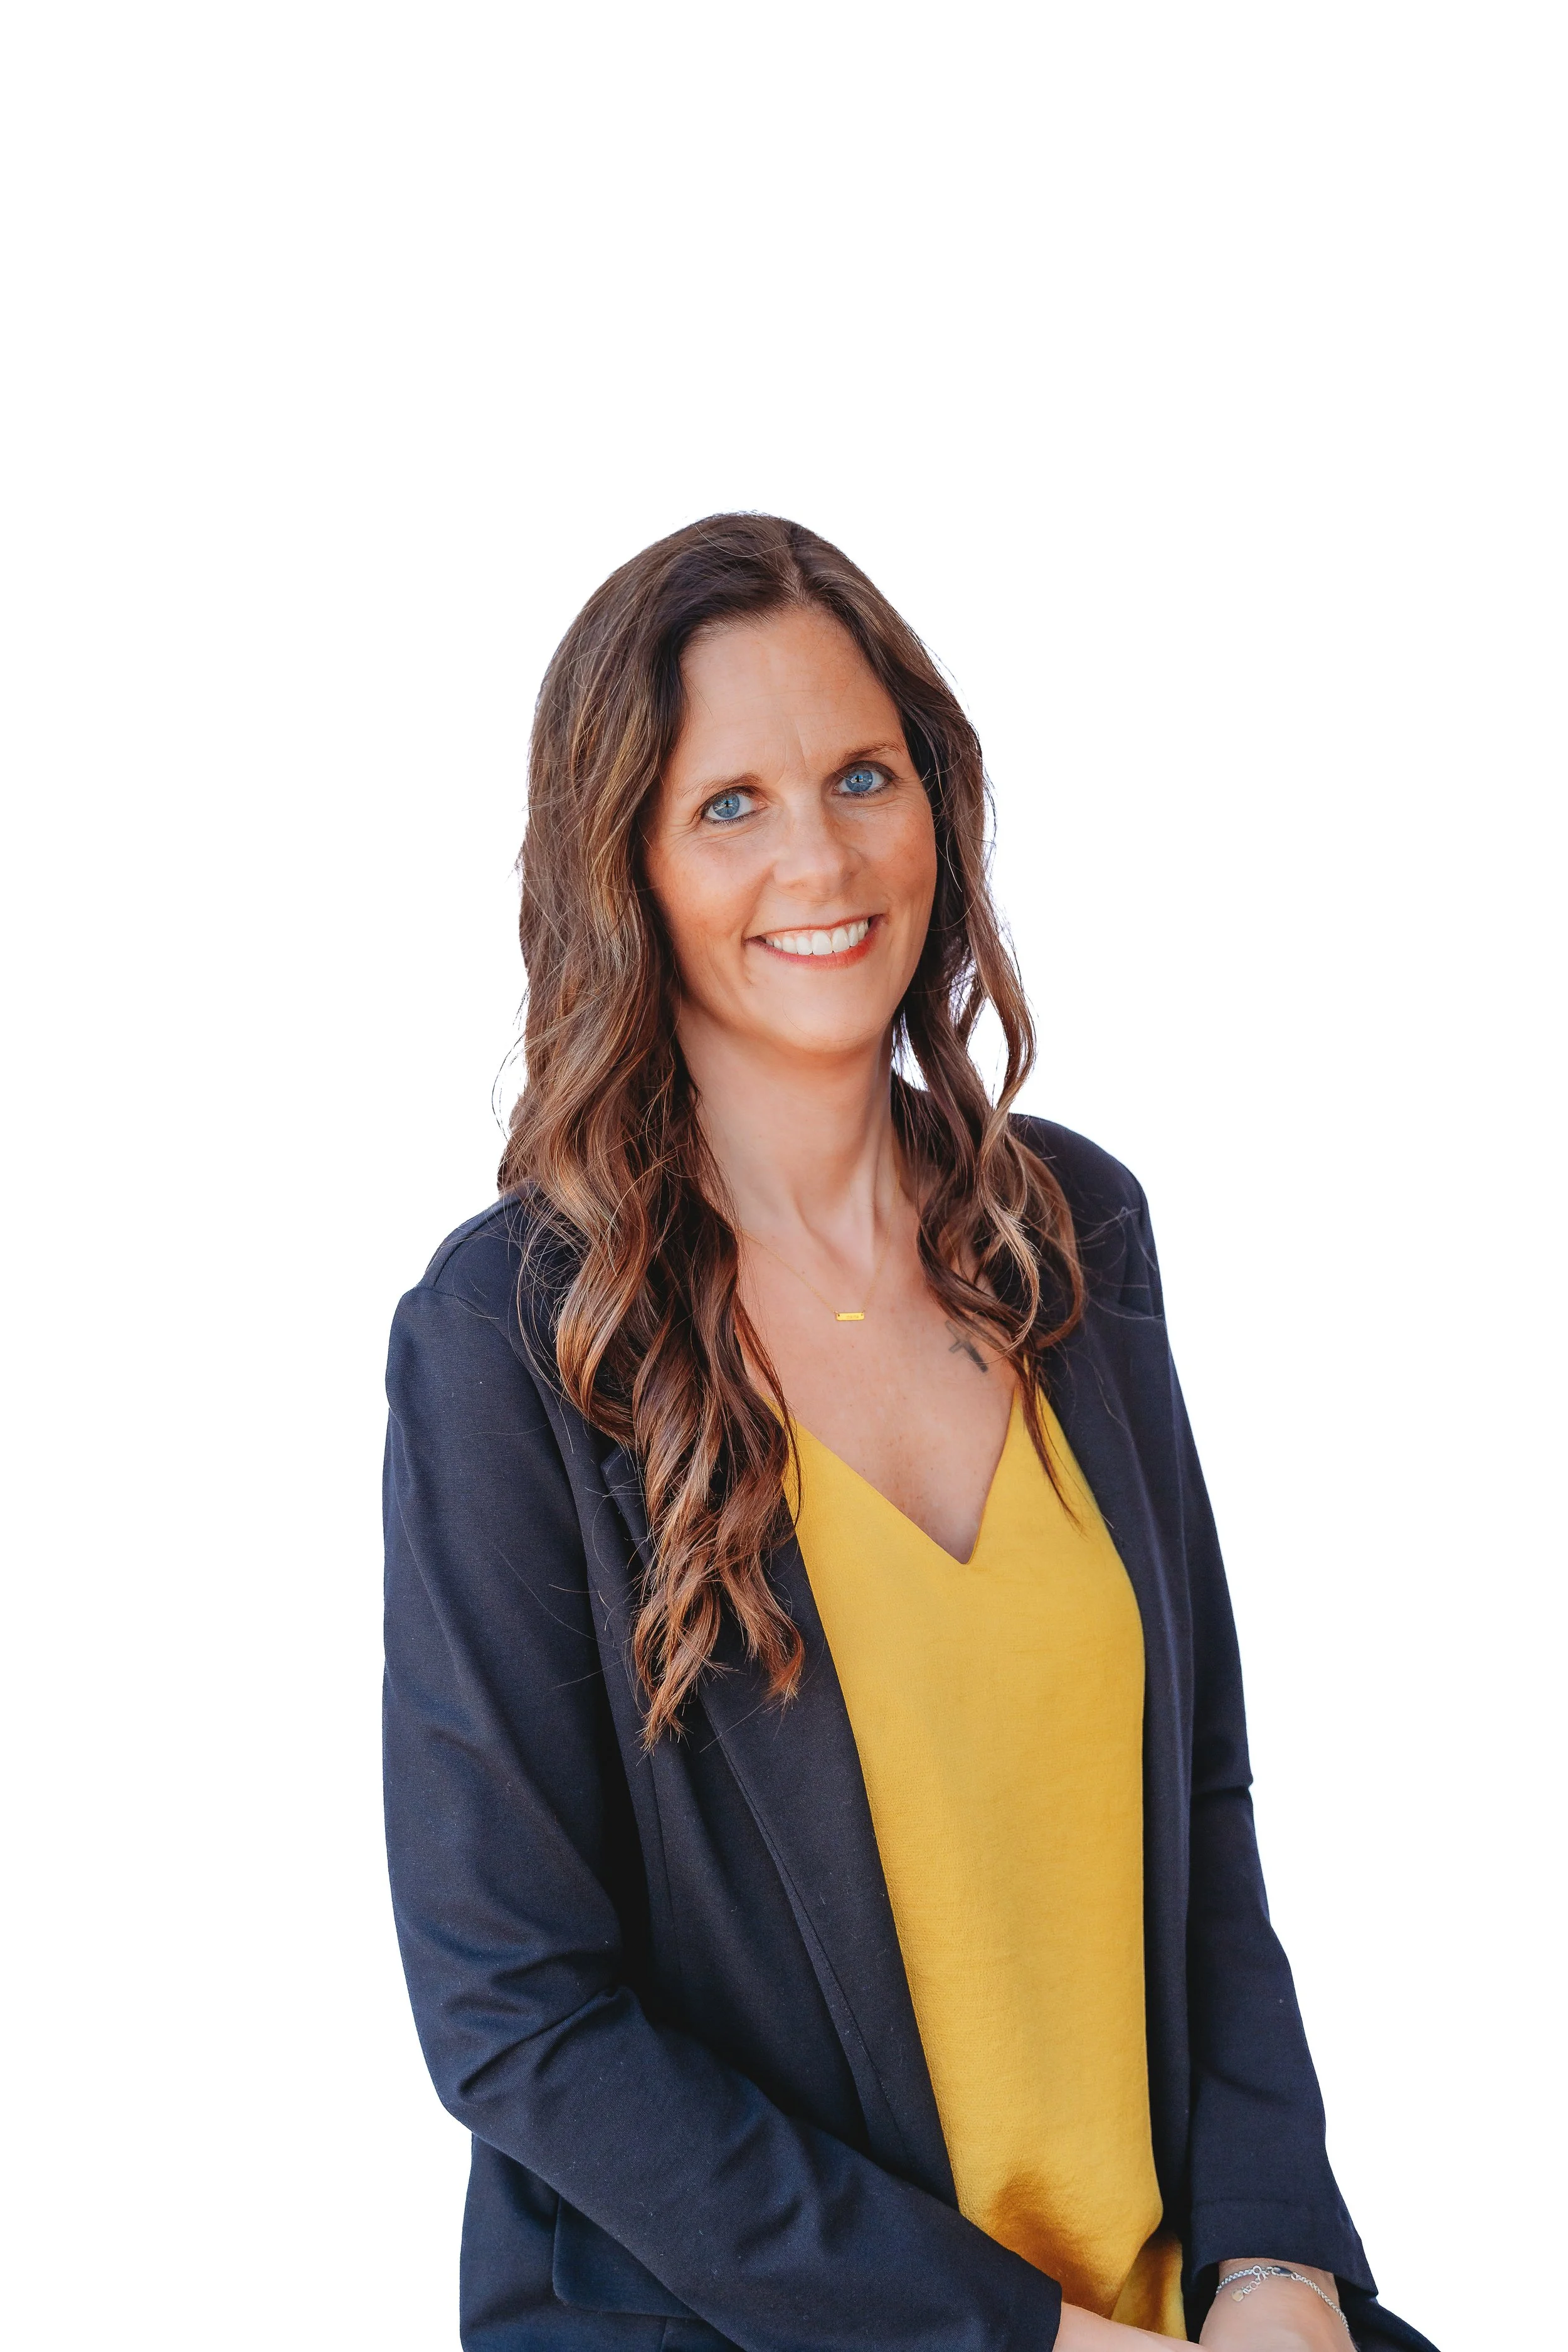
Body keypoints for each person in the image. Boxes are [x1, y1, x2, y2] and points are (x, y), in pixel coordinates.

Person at [383, 514, 1437, 2351]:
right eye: (730, 803)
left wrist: (1274, 2260)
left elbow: (1196, 1808)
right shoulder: (510, 1341)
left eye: (861, 774)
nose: (818, 853)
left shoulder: (1074, 1236)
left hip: (1172, 2304)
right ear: (617, 853)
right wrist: (1018, 2337)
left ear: (935, 804)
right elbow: (515, 2010)